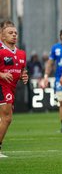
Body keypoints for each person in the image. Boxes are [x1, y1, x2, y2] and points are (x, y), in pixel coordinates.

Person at [0, 23, 28, 158]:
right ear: (3, 36)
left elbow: (22, 70)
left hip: (11, 88)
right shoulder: (0, 51)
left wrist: (24, 75)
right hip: (1, 86)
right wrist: (2, 74)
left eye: (15, 33)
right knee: (7, 118)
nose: (14, 35)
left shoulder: (21, 53)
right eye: (10, 33)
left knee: (4, 118)